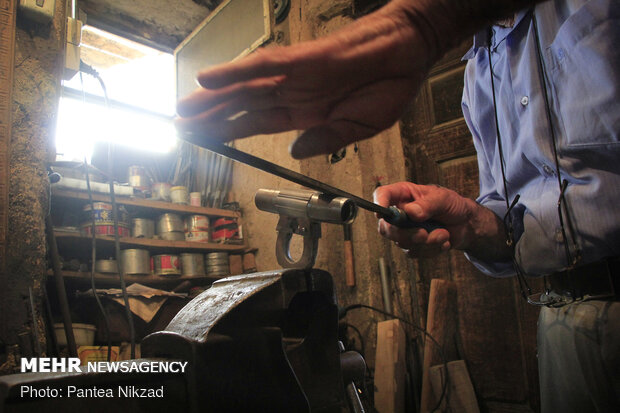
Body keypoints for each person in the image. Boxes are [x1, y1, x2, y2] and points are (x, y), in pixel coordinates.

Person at [175, 0, 620, 411]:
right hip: (561, 315)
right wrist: (471, 224)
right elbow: (511, 234)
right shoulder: (482, 73)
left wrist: (424, 26)